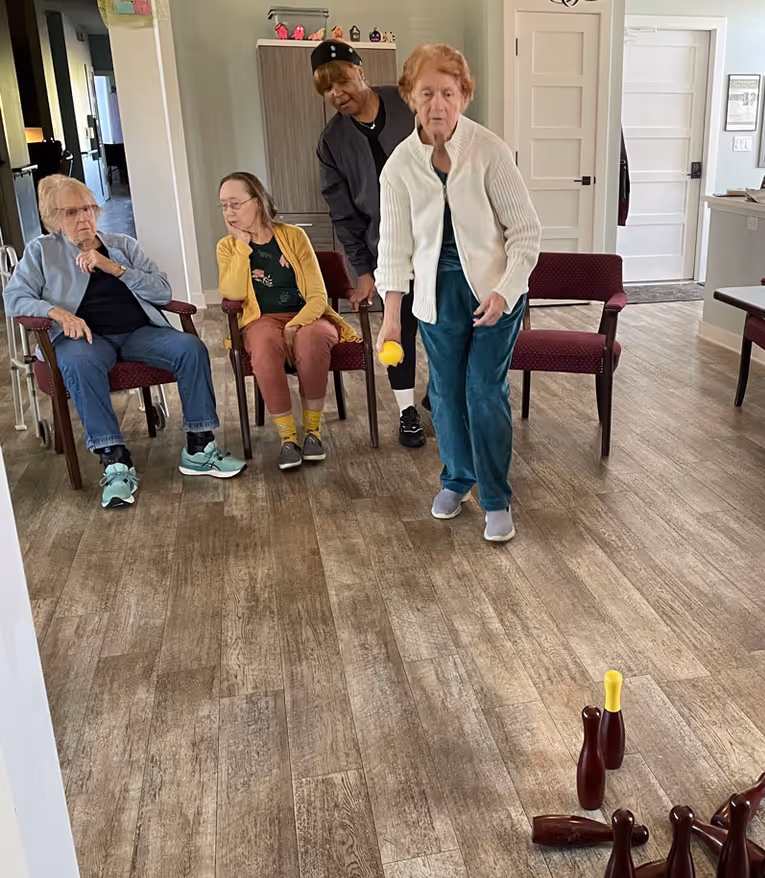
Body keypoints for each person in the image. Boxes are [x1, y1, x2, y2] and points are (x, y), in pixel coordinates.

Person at [375, 44, 541, 543]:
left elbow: (526, 233)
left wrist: (506, 292)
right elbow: (395, 247)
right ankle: (456, 478)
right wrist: (390, 316)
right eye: (426, 93)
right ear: (410, 98)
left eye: (448, 92)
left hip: (494, 291)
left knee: (483, 392)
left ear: (464, 96)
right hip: (434, 296)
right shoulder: (399, 166)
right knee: (445, 396)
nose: (437, 104)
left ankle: (495, 497)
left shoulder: (490, 151)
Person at [3, 174, 245, 509]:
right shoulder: (41, 252)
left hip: (138, 334)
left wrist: (112, 266)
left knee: (190, 348)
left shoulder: (123, 245)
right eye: (72, 212)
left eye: (89, 209)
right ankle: (115, 462)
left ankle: (200, 448)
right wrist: (56, 312)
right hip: (84, 339)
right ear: (53, 219)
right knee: (77, 361)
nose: (85, 217)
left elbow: (161, 290)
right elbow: (14, 299)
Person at [313, 39, 428, 449]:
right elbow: (343, 215)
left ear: (360, 71)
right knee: (399, 329)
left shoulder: (407, 103)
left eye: (342, 80)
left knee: (450, 322)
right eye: (326, 88)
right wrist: (362, 271)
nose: (336, 94)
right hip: (387, 247)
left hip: (439, 237)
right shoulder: (332, 142)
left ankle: (440, 393)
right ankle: (407, 412)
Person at [216, 171, 360, 470]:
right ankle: (288, 439)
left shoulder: (293, 236)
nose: (229, 212)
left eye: (235, 203)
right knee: (265, 348)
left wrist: (297, 323)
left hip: (307, 315)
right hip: (261, 320)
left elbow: (318, 295)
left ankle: (312, 433)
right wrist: (243, 245)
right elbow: (231, 292)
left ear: (257, 201)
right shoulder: (227, 247)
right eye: (223, 206)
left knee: (311, 342)